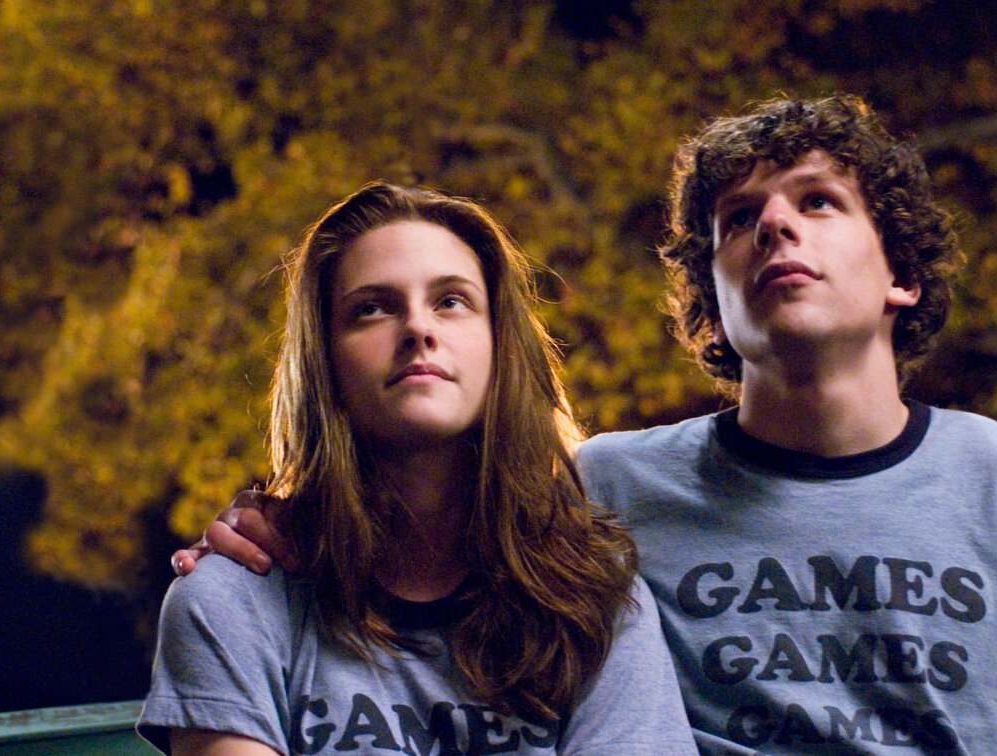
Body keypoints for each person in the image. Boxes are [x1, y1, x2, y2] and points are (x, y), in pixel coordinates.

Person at [176, 96, 997, 755]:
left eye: (817, 201)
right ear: (712, 302)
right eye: (739, 219)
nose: (776, 227)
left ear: (899, 273)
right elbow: (427, 508)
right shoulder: (609, 486)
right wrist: (268, 521)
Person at [140, 181, 697, 755]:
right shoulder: (233, 598)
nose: (417, 329)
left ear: (500, 342)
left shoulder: (595, 593)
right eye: (371, 308)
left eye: (451, 301)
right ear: (324, 360)